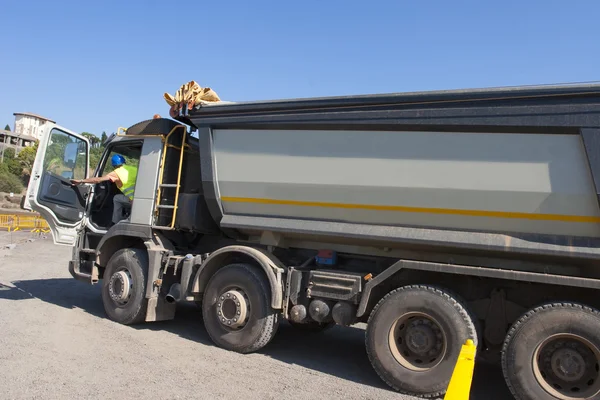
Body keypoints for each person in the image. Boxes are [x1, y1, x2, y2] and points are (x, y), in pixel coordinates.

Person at [71, 154, 138, 225]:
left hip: (132, 200)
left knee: (116, 198)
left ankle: (115, 222)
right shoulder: (135, 169)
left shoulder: (116, 173)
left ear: (114, 165)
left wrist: (81, 181)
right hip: (140, 200)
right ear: (124, 162)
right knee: (118, 197)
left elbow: (97, 180)